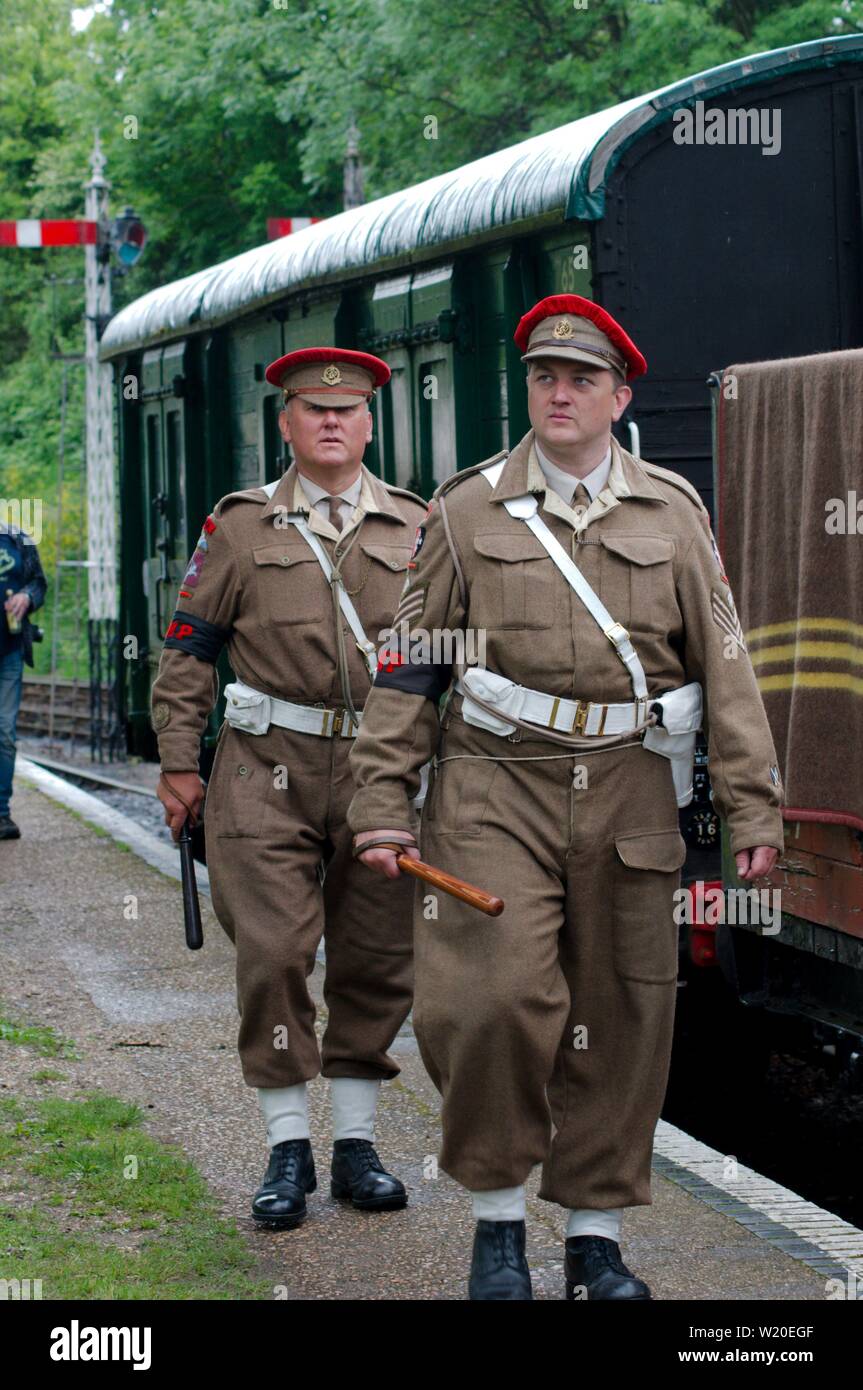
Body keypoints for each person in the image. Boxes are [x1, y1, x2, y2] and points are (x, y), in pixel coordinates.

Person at [347, 294, 784, 1300]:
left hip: (631, 787)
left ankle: (593, 1237)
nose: (558, 392)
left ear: (617, 396)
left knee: (620, 1011)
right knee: (487, 998)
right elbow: (412, 662)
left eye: (580, 379)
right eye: (544, 375)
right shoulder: (464, 509)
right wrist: (381, 796)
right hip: (493, 786)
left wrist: (753, 808)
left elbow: (722, 665)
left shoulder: (671, 512)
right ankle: (497, 1225)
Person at [152, 348, 426, 1230]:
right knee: (271, 954)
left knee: (375, 958)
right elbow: (188, 648)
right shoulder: (238, 529)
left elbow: (443, 662)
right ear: (286, 424)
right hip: (263, 767)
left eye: (348, 411)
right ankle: (285, 1148)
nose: (333, 421)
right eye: (313, 410)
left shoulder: (416, 529)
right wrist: (178, 763)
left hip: (379, 770)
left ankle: (354, 1147)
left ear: (372, 424)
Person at [0, 519, 47, 840]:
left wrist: (27, 597)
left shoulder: (17, 538)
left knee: (4, 731)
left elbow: (39, 583)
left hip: (10, 651)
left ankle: (1, 813)